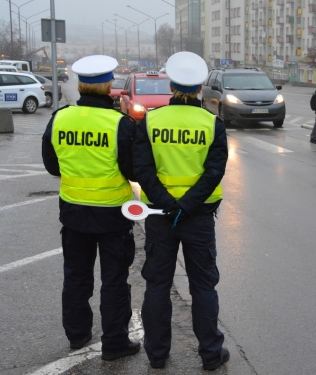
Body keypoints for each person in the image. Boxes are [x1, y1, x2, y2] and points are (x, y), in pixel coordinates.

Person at [133, 51, 229, 371]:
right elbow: (214, 172)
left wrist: (168, 205)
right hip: (198, 217)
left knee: (158, 285)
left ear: (170, 85)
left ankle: (157, 355)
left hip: (160, 217)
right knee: (203, 285)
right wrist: (186, 207)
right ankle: (211, 355)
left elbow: (142, 170)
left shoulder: (151, 120)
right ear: (201, 87)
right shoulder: (212, 123)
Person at [41, 55, 141, 360]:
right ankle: (114, 344)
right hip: (112, 216)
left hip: (74, 214)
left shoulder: (60, 118)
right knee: (114, 280)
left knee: (76, 277)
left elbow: (52, 166)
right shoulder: (119, 124)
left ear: (81, 85)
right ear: (108, 85)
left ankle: (77, 335)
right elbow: (134, 171)